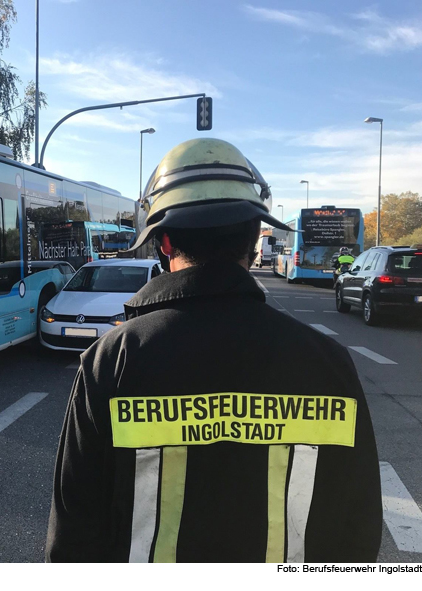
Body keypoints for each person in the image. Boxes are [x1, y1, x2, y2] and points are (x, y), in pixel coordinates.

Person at [45, 138, 382, 563]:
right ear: (255, 241)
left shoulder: (112, 360)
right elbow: (359, 531)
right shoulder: (329, 364)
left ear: (164, 243)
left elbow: (74, 538)